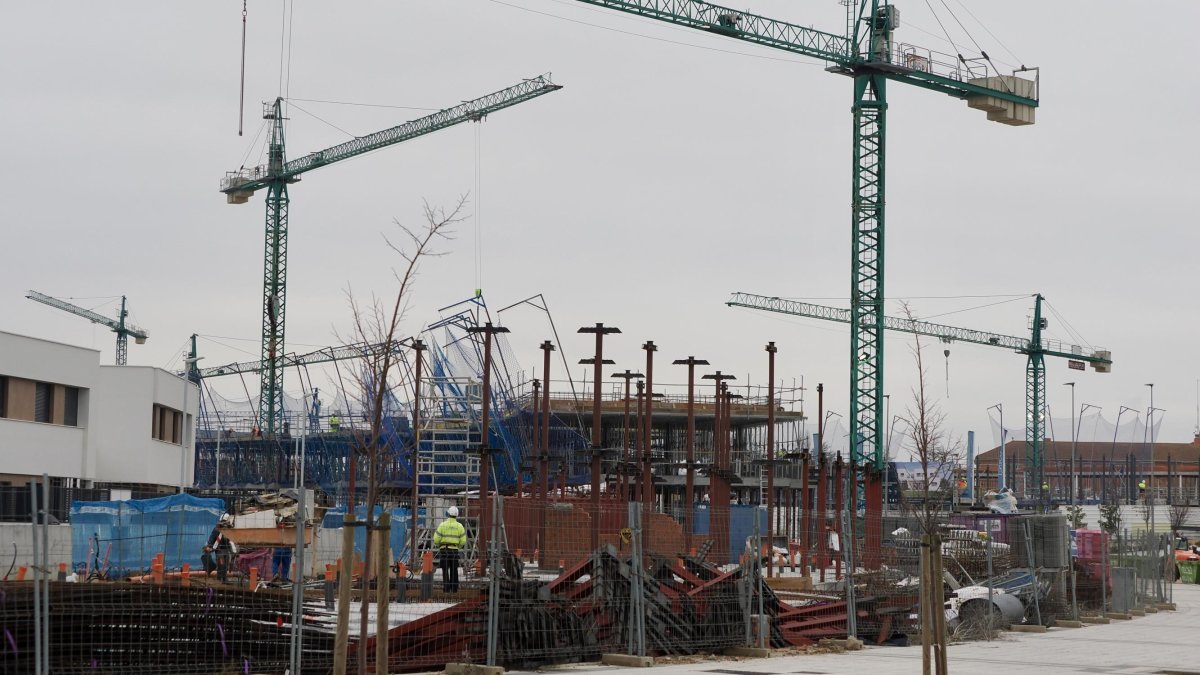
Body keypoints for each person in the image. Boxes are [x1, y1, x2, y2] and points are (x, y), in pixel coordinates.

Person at [434, 505, 466, 593]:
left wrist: (439, 545)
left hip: (444, 550)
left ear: (448, 514)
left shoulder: (442, 525)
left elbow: (436, 539)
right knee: (454, 569)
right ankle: (454, 589)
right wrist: (458, 547)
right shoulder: (460, 526)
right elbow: (463, 541)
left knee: (445, 570)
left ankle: (446, 589)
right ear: (457, 515)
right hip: (454, 551)